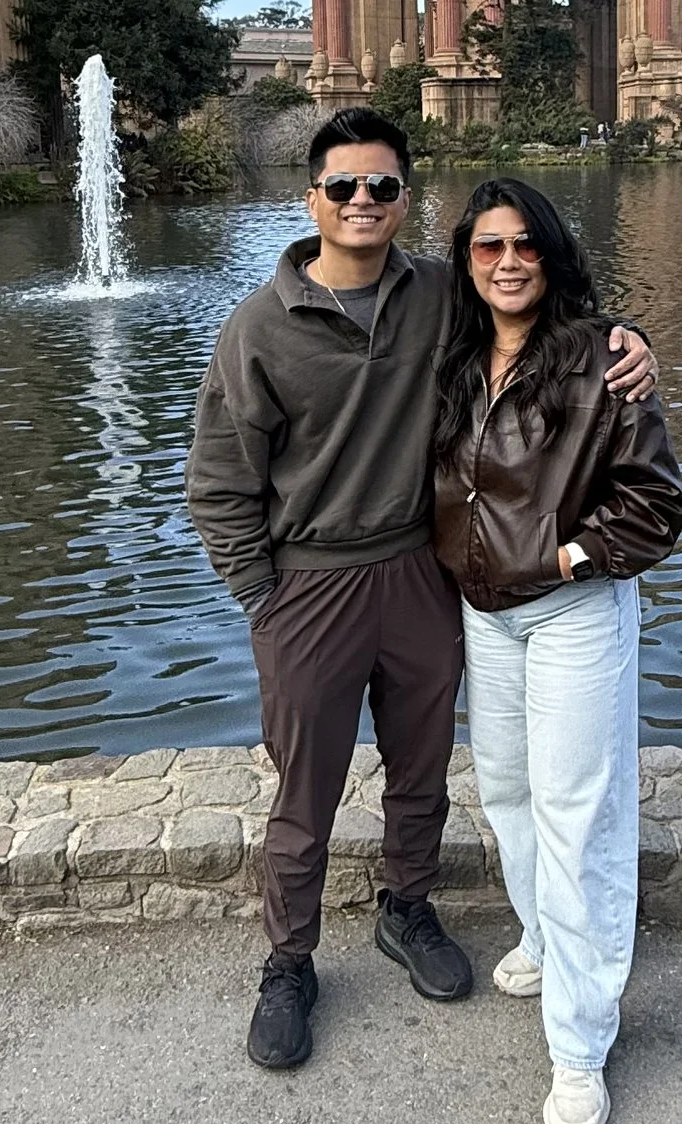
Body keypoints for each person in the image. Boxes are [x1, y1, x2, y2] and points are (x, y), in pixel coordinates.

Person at [185, 107, 657, 1073]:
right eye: (345, 187)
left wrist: (630, 337)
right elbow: (218, 478)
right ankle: (289, 960)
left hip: (419, 572)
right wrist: (260, 596)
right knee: (304, 784)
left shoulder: (439, 295)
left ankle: (407, 906)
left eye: (385, 187)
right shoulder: (259, 327)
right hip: (309, 584)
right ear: (311, 196)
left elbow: (543, 314)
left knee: (421, 767)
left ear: (405, 198)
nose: (364, 202)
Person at [432, 178, 682, 1124]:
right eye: (488, 246)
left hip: (573, 610)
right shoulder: (453, 360)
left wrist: (562, 557)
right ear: (466, 260)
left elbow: (653, 507)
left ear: (552, 254)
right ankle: (542, 936)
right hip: (483, 613)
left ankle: (579, 1045)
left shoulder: (597, 358)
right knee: (506, 790)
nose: (507, 262)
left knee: (581, 815)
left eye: (525, 245)